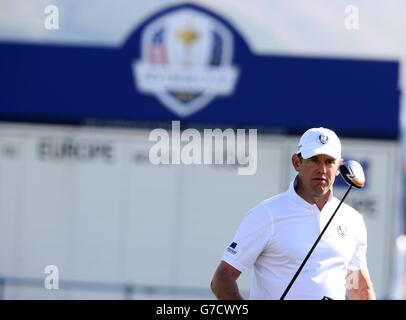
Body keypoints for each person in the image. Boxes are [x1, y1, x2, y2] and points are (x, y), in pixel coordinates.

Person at [210, 127, 376, 300]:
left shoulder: (352, 220)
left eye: (329, 161)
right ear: (297, 162)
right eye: (314, 159)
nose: (322, 169)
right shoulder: (267, 214)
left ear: (338, 168)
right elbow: (222, 280)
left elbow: (357, 288)